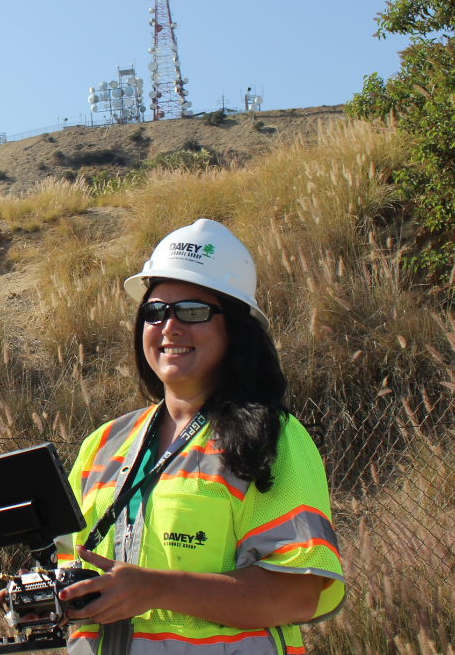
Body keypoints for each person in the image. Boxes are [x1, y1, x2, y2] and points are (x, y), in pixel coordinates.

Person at [55, 219, 344, 655]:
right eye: (155, 312)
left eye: (192, 311)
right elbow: (69, 569)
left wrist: (156, 590)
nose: (169, 326)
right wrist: (44, 600)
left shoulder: (273, 439)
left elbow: (297, 593)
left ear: (235, 331)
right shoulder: (101, 445)